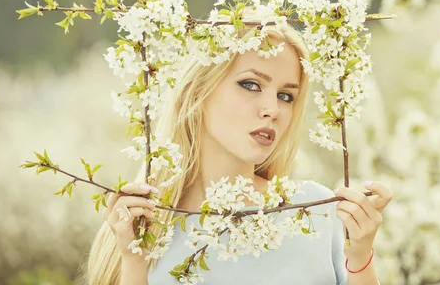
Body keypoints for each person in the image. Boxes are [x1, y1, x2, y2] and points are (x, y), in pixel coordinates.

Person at [83, 22, 392, 284]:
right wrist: (133, 261)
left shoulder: (315, 212)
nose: (272, 110)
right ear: (199, 91)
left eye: (286, 96)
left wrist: (361, 254)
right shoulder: (147, 223)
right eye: (251, 85)